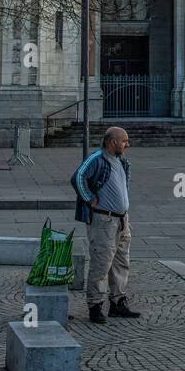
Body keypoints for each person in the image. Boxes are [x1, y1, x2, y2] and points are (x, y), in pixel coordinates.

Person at [71, 126, 142, 323]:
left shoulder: (122, 161)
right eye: (124, 140)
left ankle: (117, 303)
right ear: (112, 142)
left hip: (121, 219)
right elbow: (77, 177)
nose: (127, 144)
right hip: (104, 220)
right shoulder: (97, 159)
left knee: (121, 262)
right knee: (101, 264)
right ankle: (95, 306)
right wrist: (88, 197)